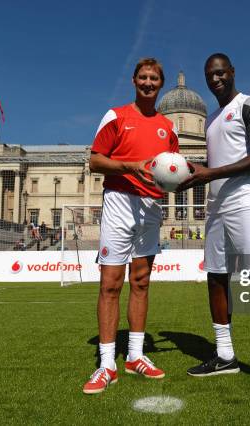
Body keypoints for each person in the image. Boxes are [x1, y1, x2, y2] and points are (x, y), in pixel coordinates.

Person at [180, 53, 250, 396]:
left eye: (221, 73)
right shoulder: (210, 120)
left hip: (246, 201)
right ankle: (225, 354)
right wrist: (196, 174)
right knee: (216, 278)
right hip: (216, 204)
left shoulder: (249, 106)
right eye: (210, 75)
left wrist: (210, 172)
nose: (216, 79)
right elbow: (220, 160)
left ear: (232, 72)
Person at [82, 57, 178, 395]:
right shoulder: (116, 116)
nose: (148, 83)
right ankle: (107, 362)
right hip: (120, 201)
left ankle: (136, 355)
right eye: (143, 77)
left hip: (152, 206)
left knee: (141, 281)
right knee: (110, 283)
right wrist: (129, 166)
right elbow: (94, 160)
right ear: (134, 81)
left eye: (154, 78)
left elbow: (172, 171)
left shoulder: (170, 127)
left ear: (160, 83)